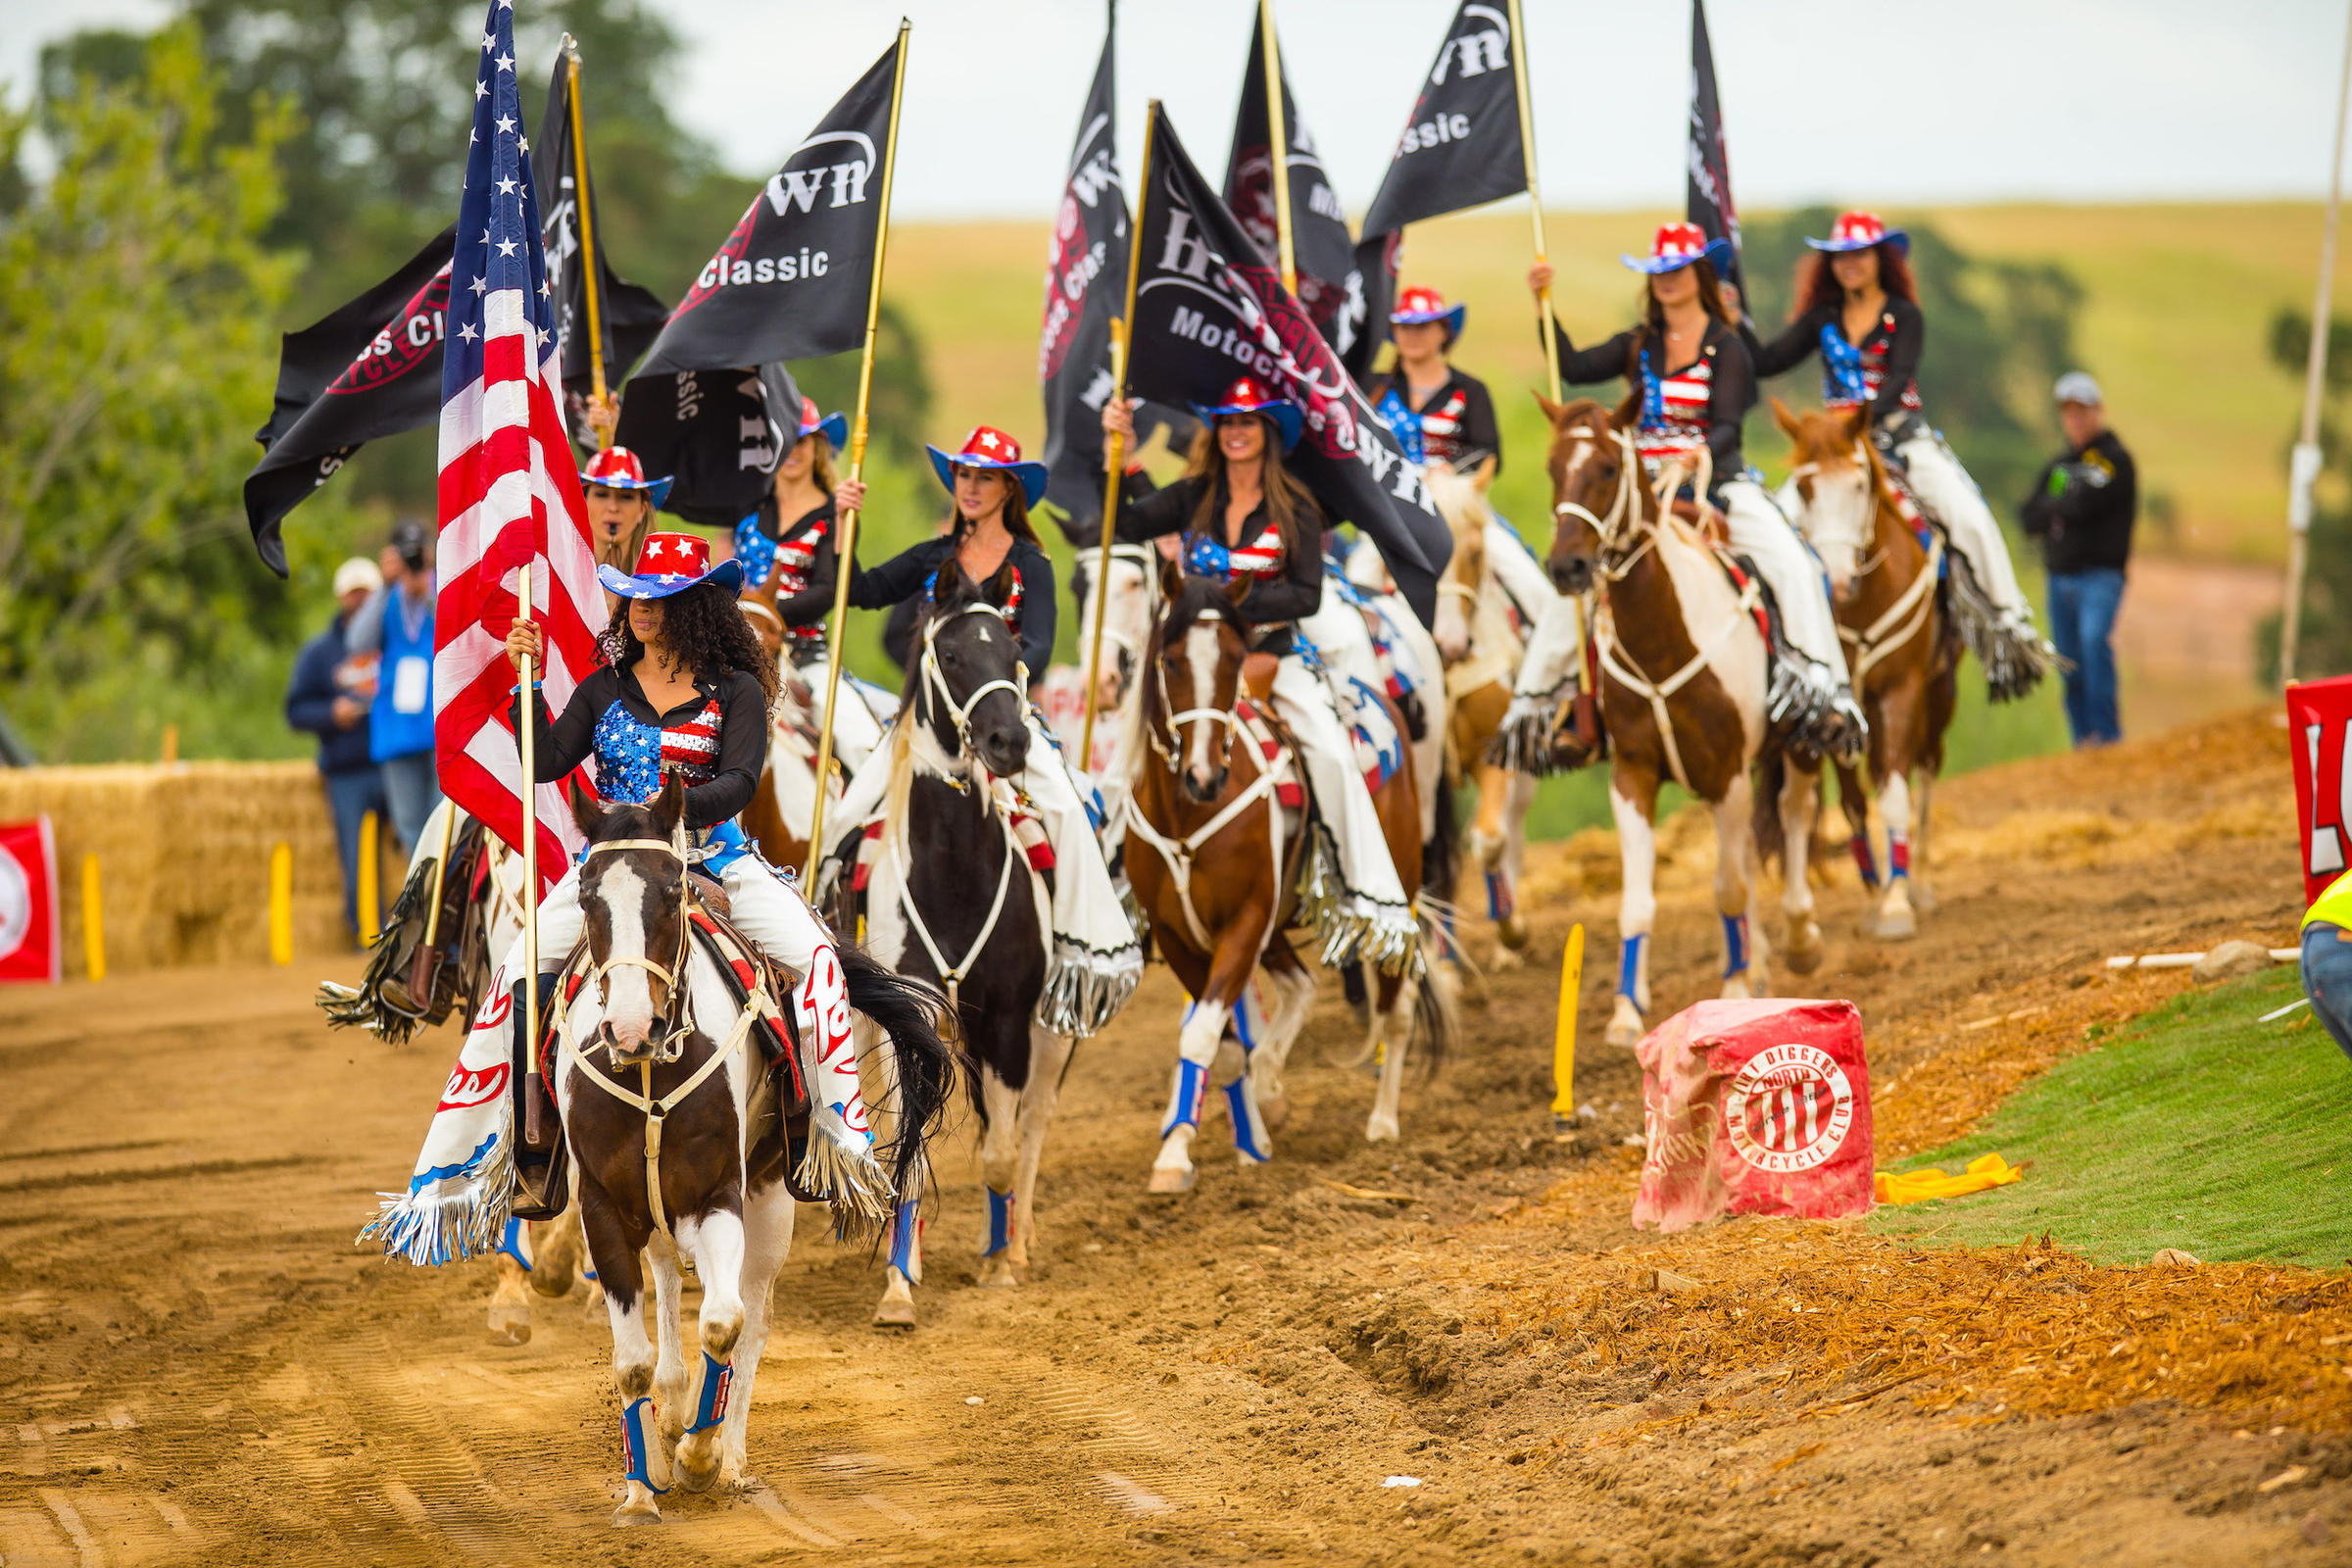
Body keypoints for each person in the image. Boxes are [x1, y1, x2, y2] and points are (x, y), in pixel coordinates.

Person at [498, 530, 878, 1188]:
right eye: (634, 600)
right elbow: (547, 759)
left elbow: (740, 782)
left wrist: (671, 811)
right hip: (614, 869)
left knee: (817, 960)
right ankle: (528, 1145)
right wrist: (527, 684)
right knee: (517, 973)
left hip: (717, 858)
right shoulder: (600, 688)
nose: (640, 611)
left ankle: (830, 1134)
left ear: (695, 606)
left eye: (659, 600)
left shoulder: (738, 692)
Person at [1102, 377, 1422, 972]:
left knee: (1329, 751)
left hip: (1276, 660)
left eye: (1248, 422)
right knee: (1127, 756)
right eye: (1227, 422)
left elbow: (1305, 593)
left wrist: (1229, 614)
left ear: (1268, 433)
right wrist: (1119, 459)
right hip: (1195, 670)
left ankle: (1361, 888)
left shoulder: (1293, 505)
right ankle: (1119, 894)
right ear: (1215, 432)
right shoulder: (1192, 495)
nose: (1237, 432)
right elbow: (1125, 524)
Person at [830, 427, 1142, 1037]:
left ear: (1009, 488)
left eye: (985, 477)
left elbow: (1045, 644)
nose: (970, 487)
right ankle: (827, 953)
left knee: (1068, 806)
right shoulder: (931, 556)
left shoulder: (1031, 563)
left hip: (1004, 717)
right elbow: (863, 591)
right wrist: (846, 527)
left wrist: (994, 674)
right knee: (844, 814)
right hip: (920, 728)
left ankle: (1087, 944)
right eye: (964, 476)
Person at [1527, 223, 1865, 760]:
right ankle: (1548, 704)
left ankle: (1821, 689)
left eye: (1677, 270)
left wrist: (1697, 452)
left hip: (1717, 482)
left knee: (1795, 564)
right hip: (1639, 494)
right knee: (1575, 566)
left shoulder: (1727, 346)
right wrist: (1545, 305)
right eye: (1658, 271)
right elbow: (1571, 366)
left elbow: (1729, 424)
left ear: (1700, 276)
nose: (1666, 280)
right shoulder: (1638, 343)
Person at [1738, 210, 2052, 698]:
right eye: (1841, 257)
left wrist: (1858, 424)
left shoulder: (1905, 316)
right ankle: (1783, 651)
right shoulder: (1823, 318)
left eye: (1859, 255)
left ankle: (2009, 624)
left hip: (1899, 437)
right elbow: (1766, 361)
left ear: (1880, 259)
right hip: (1836, 453)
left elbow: (1900, 376)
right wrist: (1733, 319)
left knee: (1967, 515)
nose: (1850, 265)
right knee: (1779, 525)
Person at [735, 397, 887, 769]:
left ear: (817, 447)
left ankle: (866, 827)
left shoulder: (836, 515)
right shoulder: (748, 509)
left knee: (861, 744)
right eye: (784, 439)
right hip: (738, 653)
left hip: (804, 656)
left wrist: (761, 616)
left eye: (801, 440)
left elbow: (827, 590)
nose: (792, 450)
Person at [2021, 371, 2136, 749]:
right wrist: (2062, 507)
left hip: (2100, 576)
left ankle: (2107, 736)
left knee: (2093, 644)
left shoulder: (2114, 460)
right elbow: (2031, 516)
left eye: (2082, 410)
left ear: (2098, 411)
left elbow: (2084, 505)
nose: (2076, 418)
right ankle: (2082, 739)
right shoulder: (2060, 466)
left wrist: (2059, 509)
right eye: (2068, 411)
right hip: (2060, 577)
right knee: (2068, 662)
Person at [285, 557, 387, 938]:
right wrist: (332, 713)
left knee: (416, 848)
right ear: (341, 597)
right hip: (346, 771)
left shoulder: (395, 641)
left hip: (393, 762)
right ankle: (366, 932)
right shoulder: (319, 653)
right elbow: (295, 709)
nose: (360, 600)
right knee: (356, 855)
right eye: (353, 593)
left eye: (367, 593)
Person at [349, 520, 442, 852]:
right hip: (397, 726)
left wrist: (430, 586)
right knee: (409, 827)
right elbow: (357, 642)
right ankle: (421, 897)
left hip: (439, 724)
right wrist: (385, 587)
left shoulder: (441, 591)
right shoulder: (387, 600)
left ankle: (447, 895)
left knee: (443, 821)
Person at [1366, 286, 1501, 481]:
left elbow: (1488, 453)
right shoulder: (1372, 385)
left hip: (1449, 498)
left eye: (1422, 327)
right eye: (1405, 327)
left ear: (1444, 332)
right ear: (1395, 333)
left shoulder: (1471, 390)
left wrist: (1451, 468)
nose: (1413, 335)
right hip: (1384, 495)